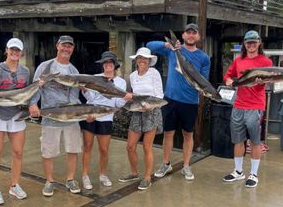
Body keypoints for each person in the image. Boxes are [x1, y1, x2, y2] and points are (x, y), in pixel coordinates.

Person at [147, 23, 210, 180]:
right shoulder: (173, 50)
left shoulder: (204, 57)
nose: (190, 35)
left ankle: (186, 166)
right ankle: (166, 163)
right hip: (170, 99)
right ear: (183, 35)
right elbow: (150, 46)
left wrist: (201, 88)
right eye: (188, 33)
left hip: (190, 102)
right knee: (168, 133)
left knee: (188, 134)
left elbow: (204, 81)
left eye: (193, 33)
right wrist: (168, 44)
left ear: (198, 37)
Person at [29, 35, 83, 197]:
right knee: (48, 150)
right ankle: (49, 181)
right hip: (50, 115)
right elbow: (36, 87)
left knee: (73, 149)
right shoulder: (45, 67)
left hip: (70, 116)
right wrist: (33, 104)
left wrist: (80, 112)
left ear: (73, 49)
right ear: (57, 46)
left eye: (69, 46)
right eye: (64, 45)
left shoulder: (74, 71)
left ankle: (70, 179)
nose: (66, 49)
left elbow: (75, 95)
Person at [223, 30, 272, 188]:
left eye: (254, 42)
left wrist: (260, 82)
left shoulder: (266, 62)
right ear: (244, 44)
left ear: (259, 43)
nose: (251, 45)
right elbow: (228, 75)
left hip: (255, 106)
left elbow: (267, 80)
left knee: (255, 141)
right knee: (237, 140)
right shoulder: (239, 61)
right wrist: (229, 80)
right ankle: (238, 171)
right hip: (238, 105)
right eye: (248, 42)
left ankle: (254, 174)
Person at [0, 38, 29, 206]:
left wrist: (31, 103)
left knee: (18, 152)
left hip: (16, 115)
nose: (15, 52)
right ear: (6, 50)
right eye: (12, 49)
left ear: (21, 52)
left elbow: (27, 93)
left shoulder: (25, 71)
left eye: (18, 50)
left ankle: (14, 185)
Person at [80, 51, 128, 190]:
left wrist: (124, 100)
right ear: (103, 65)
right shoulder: (95, 78)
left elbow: (118, 104)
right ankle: (85, 176)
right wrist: (84, 90)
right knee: (87, 147)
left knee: (104, 149)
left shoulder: (121, 82)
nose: (108, 65)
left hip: (106, 117)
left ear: (114, 65)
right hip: (91, 114)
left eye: (110, 62)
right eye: (105, 62)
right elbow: (91, 98)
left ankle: (103, 175)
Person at [118, 47, 163, 190]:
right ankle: (134, 172)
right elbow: (134, 95)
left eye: (145, 58)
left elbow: (159, 95)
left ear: (149, 61)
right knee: (130, 146)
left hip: (152, 111)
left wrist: (149, 106)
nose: (142, 60)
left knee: (146, 146)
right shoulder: (132, 76)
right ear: (136, 60)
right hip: (137, 111)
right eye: (140, 58)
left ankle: (147, 177)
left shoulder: (154, 73)